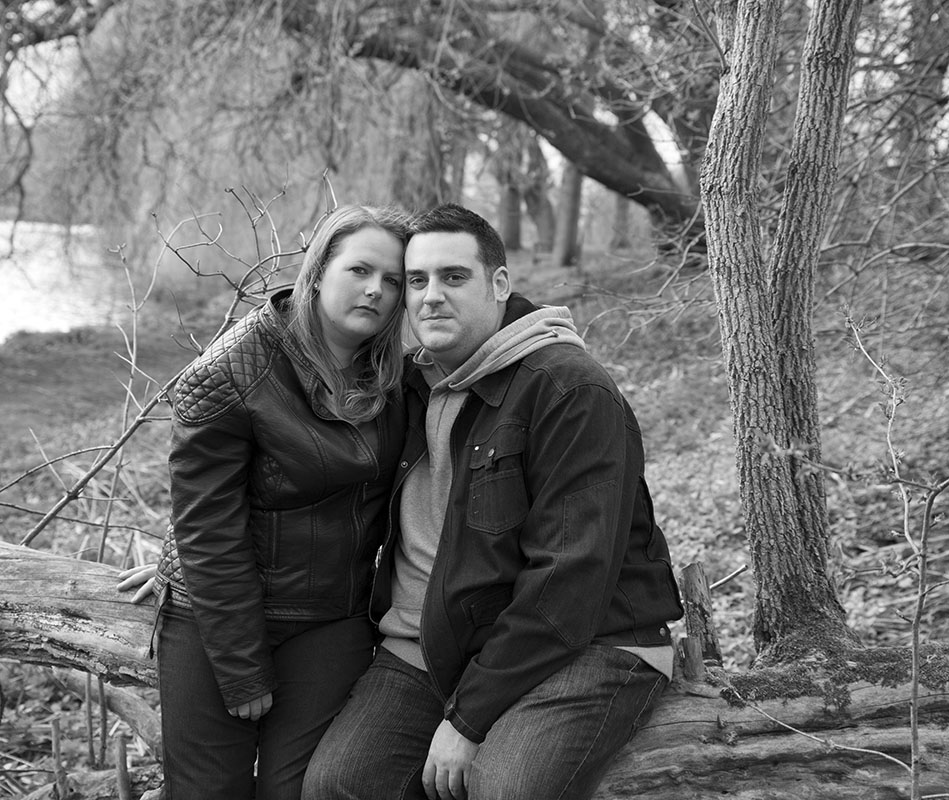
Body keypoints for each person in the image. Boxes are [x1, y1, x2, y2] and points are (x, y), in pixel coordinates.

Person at [301, 203, 684, 800]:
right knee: (338, 787)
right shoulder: (406, 387)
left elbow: (569, 576)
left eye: (455, 278)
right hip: (435, 642)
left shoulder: (567, 389)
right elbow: (301, 477)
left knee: (502, 789)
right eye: (418, 281)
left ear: (499, 284)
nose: (431, 297)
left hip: (590, 643)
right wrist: (186, 559)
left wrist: (469, 718)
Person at [120, 203, 411, 800]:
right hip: (218, 622)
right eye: (359, 270)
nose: (376, 290)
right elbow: (208, 529)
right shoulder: (230, 372)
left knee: (300, 791)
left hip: (331, 617)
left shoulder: (396, 378)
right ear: (317, 270)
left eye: (395, 280)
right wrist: (241, 664)